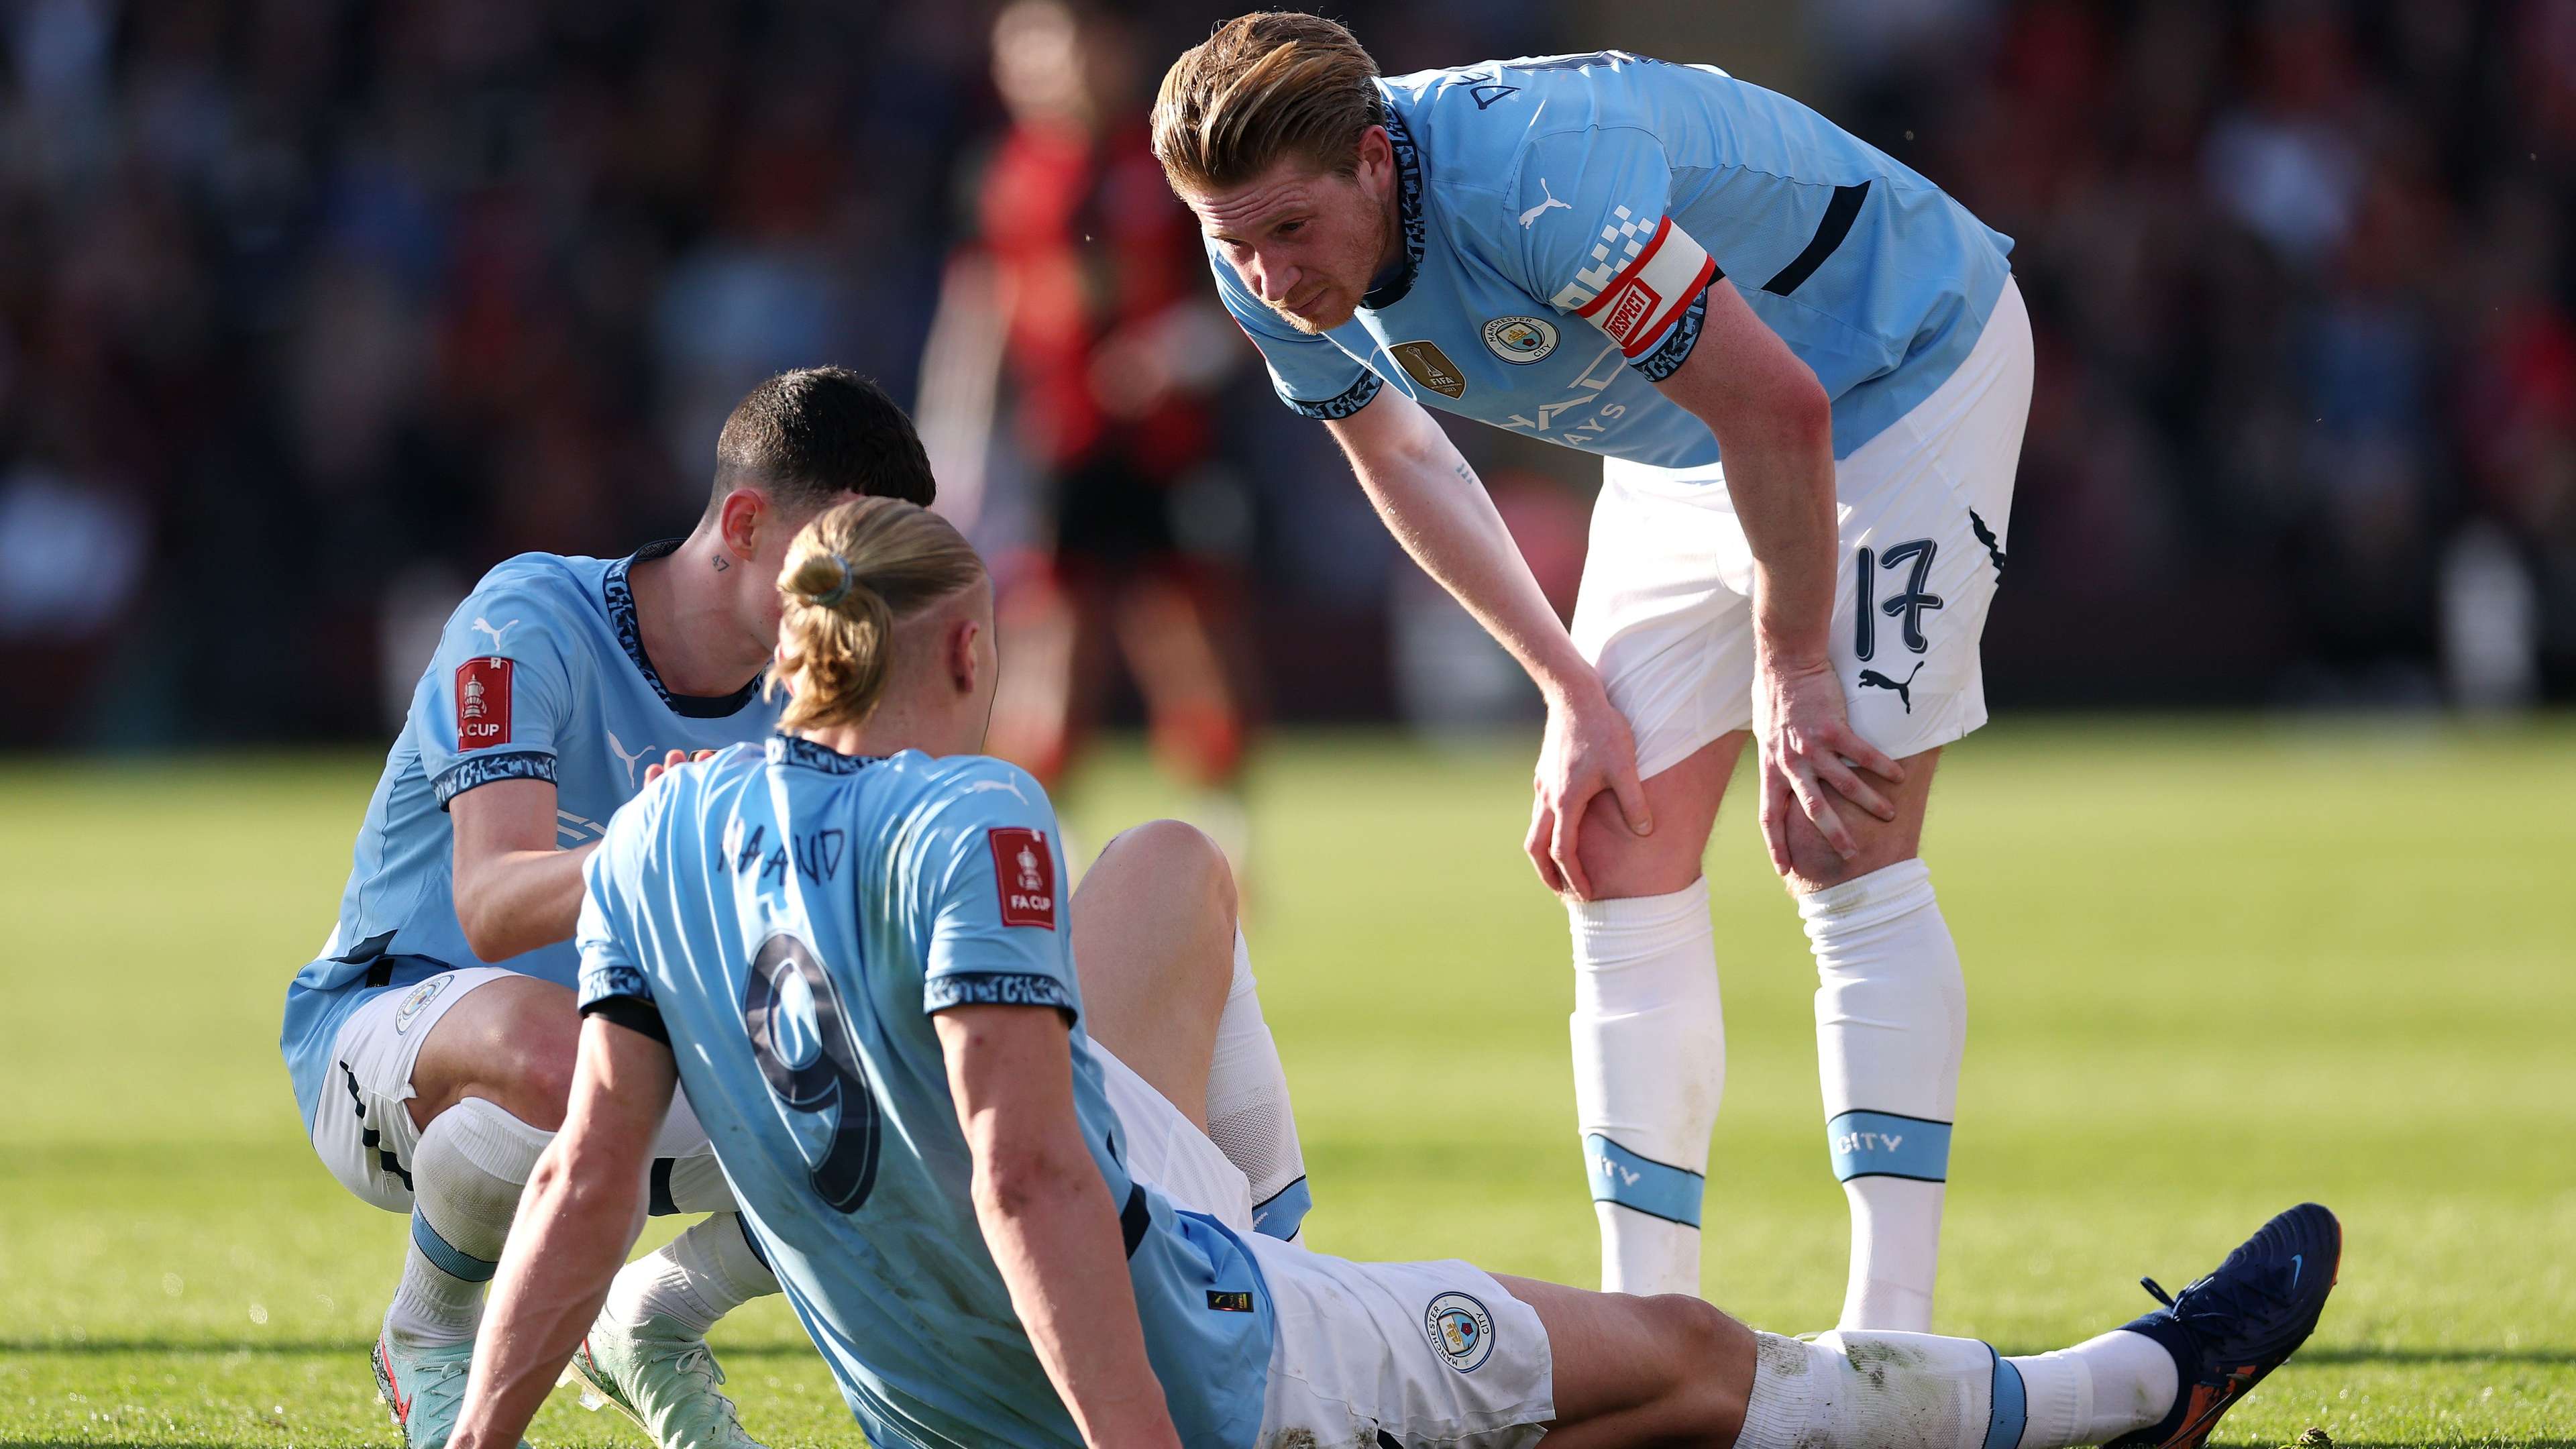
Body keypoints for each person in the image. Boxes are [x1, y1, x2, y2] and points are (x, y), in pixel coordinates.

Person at [447, 496, 2339, 1449]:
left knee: (1174, 872)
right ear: (960, 655)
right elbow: (1027, 1178)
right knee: (1693, 1364)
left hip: (957, 1399)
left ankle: (1296, 1274)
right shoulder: (976, 815)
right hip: (1197, 1363)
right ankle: (2128, 1391)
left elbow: (585, 1175)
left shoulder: (660, 835)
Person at [1152, 13, 2031, 1322]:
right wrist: (1566, 686)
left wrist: (1793, 664)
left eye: (1291, 230)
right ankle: (1649, 1328)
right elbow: (1402, 455)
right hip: (1690, 434)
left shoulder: (1538, 178)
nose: (1270, 277)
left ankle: (1888, 1342)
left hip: (1898, 375)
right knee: (1610, 840)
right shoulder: (1248, 252)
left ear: (1375, 162)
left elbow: (1782, 407)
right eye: (1236, 243)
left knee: (1837, 828)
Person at [275, 368, 937, 1449]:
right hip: (397, 1040)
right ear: (743, 524)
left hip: (641, 1075)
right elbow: (492, 904)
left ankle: (651, 1321)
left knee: (928, 1092)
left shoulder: (817, 696)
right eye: (844, 562)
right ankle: (433, 1330)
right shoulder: (528, 620)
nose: (865, 605)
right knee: (565, 1055)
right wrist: (670, 843)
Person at [922, 0, 1264, 872]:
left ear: (1110, 51)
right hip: (1061, 443)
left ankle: (1225, 835)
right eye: (1019, 52)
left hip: (1170, 444)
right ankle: (1047, 844)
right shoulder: (1001, 172)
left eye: (1055, 47)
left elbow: (1247, 293)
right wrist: (952, 445)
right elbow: (979, 313)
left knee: (1186, 632)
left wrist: (1178, 354)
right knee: (1051, 639)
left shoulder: (1174, 160)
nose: (1037, 69)